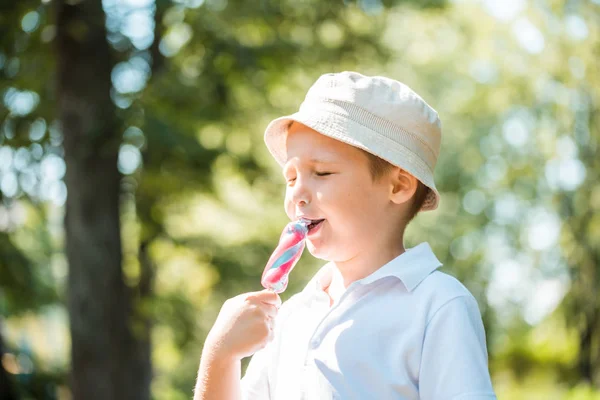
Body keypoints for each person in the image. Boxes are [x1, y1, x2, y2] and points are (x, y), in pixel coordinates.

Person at [194, 71, 497, 399]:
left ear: (398, 185)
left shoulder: (437, 305)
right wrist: (221, 356)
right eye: (291, 178)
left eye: (321, 173)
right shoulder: (291, 316)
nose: (297, 194)